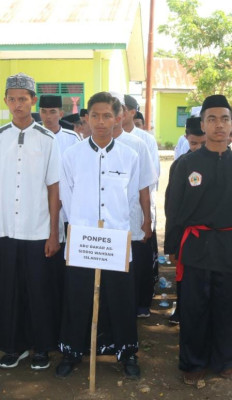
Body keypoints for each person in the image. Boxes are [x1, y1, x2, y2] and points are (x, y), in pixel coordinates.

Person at [164, 94, 232, 385]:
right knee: (193, 307)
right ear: (203, 125)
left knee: (227, 306)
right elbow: (173, 207)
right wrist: (172, 246)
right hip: (195, 245)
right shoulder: (186, 164)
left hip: (229, 246)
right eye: (212, 119)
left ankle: (224, 360)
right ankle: (193, 363)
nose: (219, 125)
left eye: (225, 119)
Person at [57, 92, 141, 379]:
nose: (101, 121)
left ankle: (126, 352)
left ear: (118, 117)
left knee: (120, 298)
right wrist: (81, 229)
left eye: (107, 115)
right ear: (86, 118)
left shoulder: (130, 156)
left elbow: (131, 200)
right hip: (83, 240)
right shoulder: (71, 156)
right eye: (95, 115)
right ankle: (72, 351)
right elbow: (66, 198)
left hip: (117, 241)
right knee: (78, 296)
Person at [0, 73, 60, 370]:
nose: (18, 103)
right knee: (8, 290)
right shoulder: (0, 137)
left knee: (39, 290)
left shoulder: (48, 139)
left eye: (23, 98)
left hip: (37, 230)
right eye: (12, 98)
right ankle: (13, 346)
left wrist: (53, 234)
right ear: (6, 101)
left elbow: (54, 188)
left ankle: (41, 348)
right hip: (6, 231)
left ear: (33, 101)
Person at [109, 91, 158, 319]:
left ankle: (136, 306)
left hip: (132, 218)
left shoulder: (138, 144)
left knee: (135, 267)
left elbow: (146, 186)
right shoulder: (92, 143)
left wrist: (147, 221)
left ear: (122, 114)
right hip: (106, 222)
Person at [39, 94, 81, 335]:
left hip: (66, 217)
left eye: (53, 111)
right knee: (42, 273)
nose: (48, 116)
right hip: (39, 216)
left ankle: (63, 323)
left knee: (64, 273)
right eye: (44, 111)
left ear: (61, 113)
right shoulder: (34, 135)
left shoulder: (71, 138)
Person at [165, 116, 206, 325]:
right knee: (185, 275)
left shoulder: (219, 161)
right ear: (186, 138)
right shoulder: (181, 164)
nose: (198, 148)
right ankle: (181, 309)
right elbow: (171, 205)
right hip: (186, 233)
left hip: (210, 235)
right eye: (193, 143)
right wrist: (172, 243)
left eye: (203, 143)